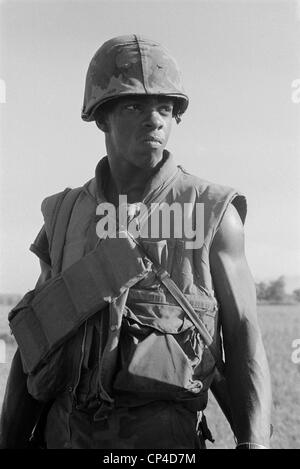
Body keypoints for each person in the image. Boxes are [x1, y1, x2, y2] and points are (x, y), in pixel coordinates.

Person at [0, 34, 272, 449]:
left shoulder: (213, 212)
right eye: (134, 106)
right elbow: (36, 343)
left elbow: (243, 336)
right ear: (101, 117)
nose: (155, 120)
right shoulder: (65, 215)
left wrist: (254, 443)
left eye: (165, 107)